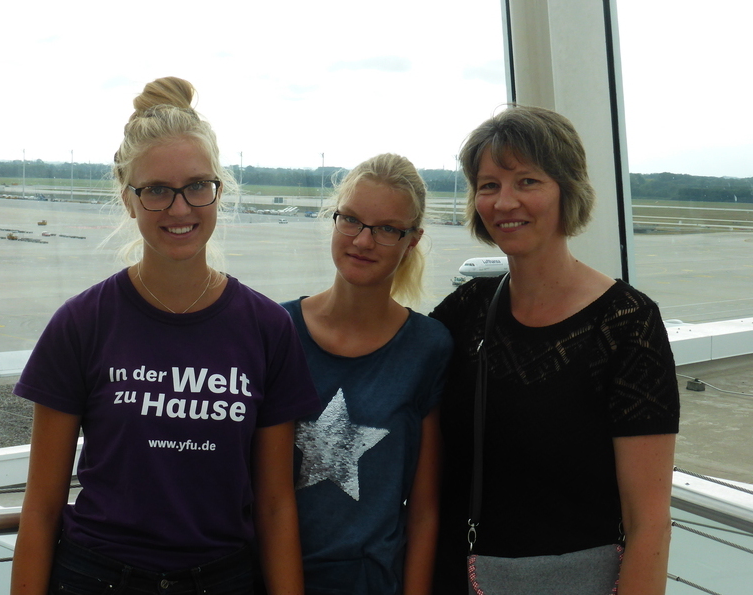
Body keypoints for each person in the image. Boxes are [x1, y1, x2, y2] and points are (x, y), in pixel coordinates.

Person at [11, 76, 319, 595]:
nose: (180, 209)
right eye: (157, 190)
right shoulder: (82, 324)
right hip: (98, 577)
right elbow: (41, 508)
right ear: (128, 199)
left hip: (222, 579)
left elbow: (274, 504)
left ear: (218, 190)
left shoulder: (268, 329)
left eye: (198, 186)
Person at [431, 105, 680, 594]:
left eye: (527, 181)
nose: (505, 202)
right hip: (462, 576)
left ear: (567, 190)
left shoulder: (626, 323)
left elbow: (649, 521)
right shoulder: (467, 310)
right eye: (488, 185)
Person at [281, 153, 452, 595]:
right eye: (351, 220)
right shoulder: (278, 332)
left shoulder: (428, 347)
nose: (362, 240)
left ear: (412, 240)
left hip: (373, 582)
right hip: (275, 577)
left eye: (386, 229)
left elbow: (424, 510)